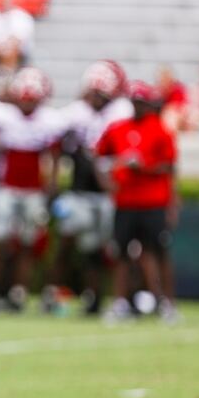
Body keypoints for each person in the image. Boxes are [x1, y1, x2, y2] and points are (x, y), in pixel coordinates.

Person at [47, 60, 132, 315]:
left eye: (102, 93)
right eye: (93, 92)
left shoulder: (122, 114)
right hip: (79, 192)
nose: (97, 98)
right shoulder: (74, 114)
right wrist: (52, 181)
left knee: (106, 249)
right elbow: (54, 145)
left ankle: (102, 299)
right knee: (67, 243)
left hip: (108, 194)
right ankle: (52, 294)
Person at [0, 67, 62, 311]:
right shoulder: (2, 115)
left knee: (28, 244)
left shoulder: (48, 120)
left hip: (33, 190)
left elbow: (53, 155)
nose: (27, 105)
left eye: (32, 100)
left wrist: (51, 184)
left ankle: (18, 292)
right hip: (5, 187)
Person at [96, 81, 179, 323]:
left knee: (159, 252)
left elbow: (170, 165)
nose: (138, 107)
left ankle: (167, 303)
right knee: (120, 253)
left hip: (153, 201)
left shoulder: (161, 129)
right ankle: (121, 302)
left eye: (142, 102)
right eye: (135, 102)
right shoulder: (118, 128)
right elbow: (99, 157)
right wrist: (107, 182)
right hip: (126, 200)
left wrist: (145, 166)